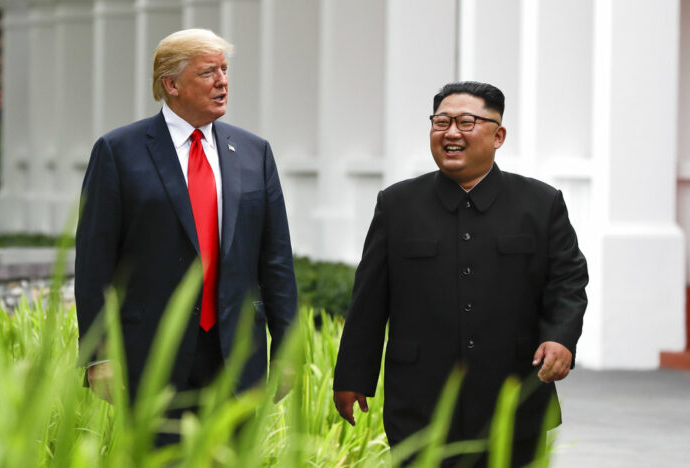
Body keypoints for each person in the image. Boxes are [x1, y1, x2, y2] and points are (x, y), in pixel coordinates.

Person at [333, 81, 588, 467]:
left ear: (498, 135)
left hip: (514, 395)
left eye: (466, 122)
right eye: (441, 122)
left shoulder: (540, 203)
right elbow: (370, 299)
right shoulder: (397, 205)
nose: (451, 133)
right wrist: (353, 376)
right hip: (420, 401)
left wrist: (561, 338)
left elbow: (568, 280)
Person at [75, 28, 297, 443]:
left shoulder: (255, 153)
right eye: (209, 72)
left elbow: (276, 260)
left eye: (225, 70)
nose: (223, 81)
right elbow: (94, 261)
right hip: (152, 358)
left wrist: (286, 350)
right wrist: (98, 354)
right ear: (171, 85)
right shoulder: (118, 151)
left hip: (237, 356)